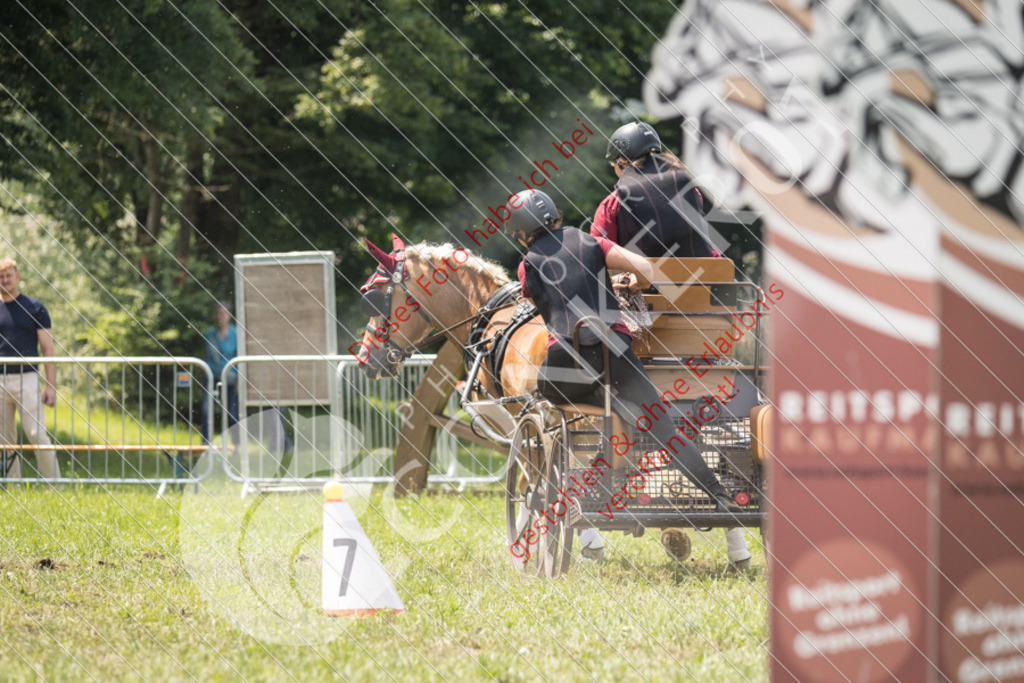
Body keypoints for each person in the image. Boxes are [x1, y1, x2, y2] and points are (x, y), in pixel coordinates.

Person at [508, 190, 743, 524]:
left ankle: (608, 401)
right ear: (556, 215)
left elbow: (547, 303)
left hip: (568, 360)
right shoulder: (591, 243)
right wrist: (626, 282)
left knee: (544, 391)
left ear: (520, 231)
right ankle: (718, 495)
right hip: (615, 349)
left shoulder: (525, 266)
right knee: (664, 430)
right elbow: (646, 269)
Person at [592, 121, 719, 258]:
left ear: (621, 163)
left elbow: (598, 254)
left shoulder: (611, 204)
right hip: (698, 275)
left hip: (642, 277)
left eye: (613, 163)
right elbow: (701, 240)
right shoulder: (688, 188)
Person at [0, 258, 60, 480]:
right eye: (1, 276)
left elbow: (48, 348)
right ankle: (12, 486)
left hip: (28, 378)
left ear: (17, 277)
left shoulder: (35, 307)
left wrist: (51, 387)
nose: (5, 280)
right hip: (0, 379)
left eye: (8, 275)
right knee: (4, 440)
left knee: (36, 434)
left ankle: (55, 485)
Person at [201, 300, 240, 448]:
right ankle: (206, 443)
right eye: (217, 313)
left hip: (231, 379)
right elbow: (207, 356)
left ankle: (237, 445)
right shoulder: (210, 334)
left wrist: (239, 381)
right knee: (206, 411)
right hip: (211, 377)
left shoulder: (236, 334)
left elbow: (239, 357)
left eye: (223, 313)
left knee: (233, 414)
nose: (220, 316)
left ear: (229, 315)